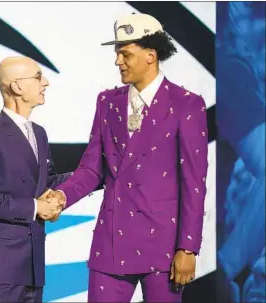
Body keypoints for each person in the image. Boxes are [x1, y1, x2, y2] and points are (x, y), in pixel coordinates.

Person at [48, 13, 209, 302]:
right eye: (117, 54)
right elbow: (91, 168)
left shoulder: (186, 104)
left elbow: (194, 184)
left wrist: (188, 248)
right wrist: (61, 197)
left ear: (151, 55)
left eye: (125, 54)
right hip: (111, 240)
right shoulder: (107, 102)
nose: (117, 61)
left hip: (164, 245)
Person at [0, 56, 70, 302]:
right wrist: (37, 207)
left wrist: (96, 175)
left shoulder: (39, 134)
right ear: (17, 87)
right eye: (37, 77)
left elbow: (44, 184)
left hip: (32, 264)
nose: (45, 83)